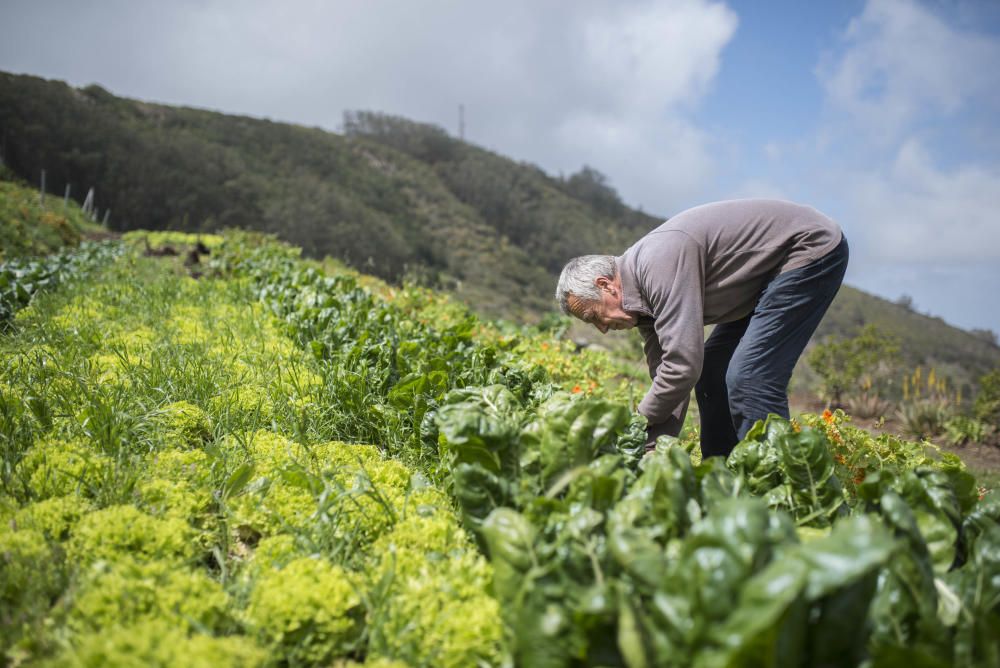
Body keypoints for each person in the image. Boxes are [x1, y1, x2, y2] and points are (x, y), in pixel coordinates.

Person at [555, 199, 848, 457]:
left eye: (594, 317)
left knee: (750, 378)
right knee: (711, 375)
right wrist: (647, 447)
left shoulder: (656, 265)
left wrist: (636, 420)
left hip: (809, 249)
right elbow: (669, 376)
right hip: (763, 279)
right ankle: (720, 479)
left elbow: (682, 364)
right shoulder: (641, 305)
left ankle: (781, 490)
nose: (602, 329)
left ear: (605, 286)